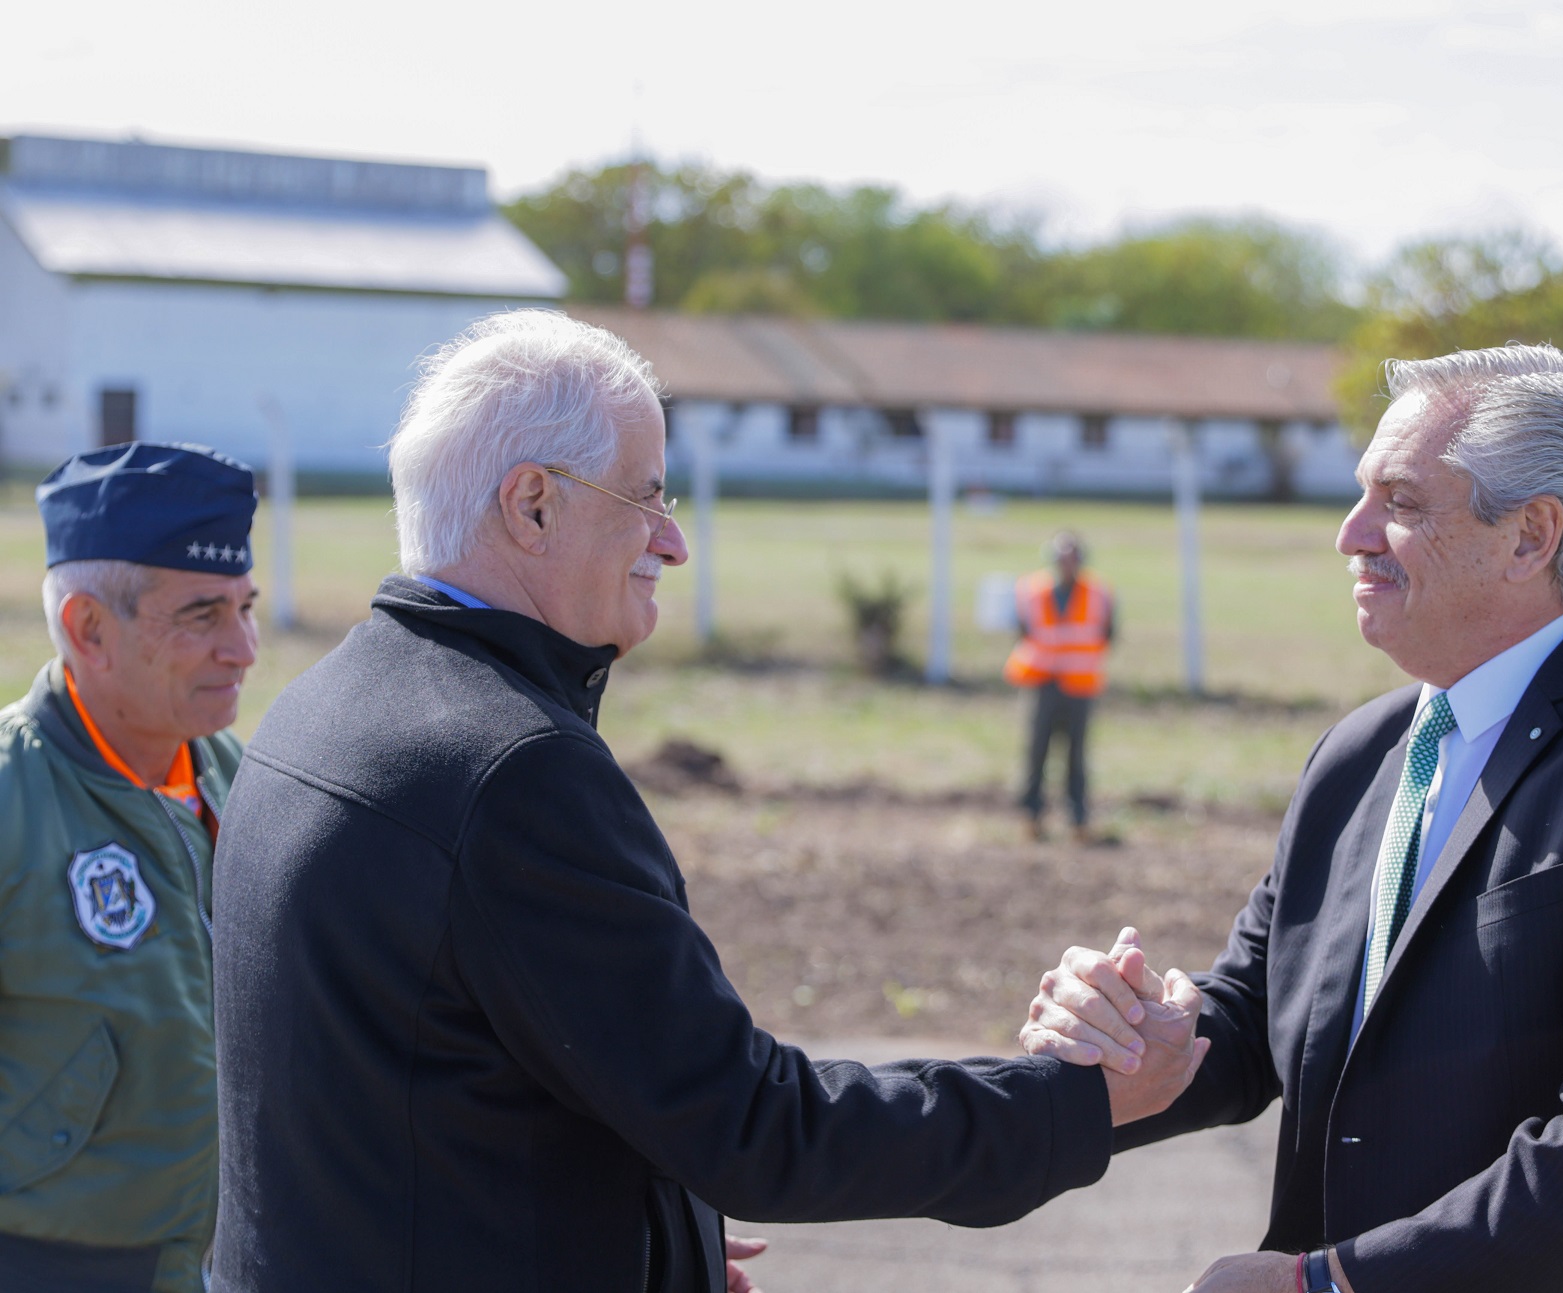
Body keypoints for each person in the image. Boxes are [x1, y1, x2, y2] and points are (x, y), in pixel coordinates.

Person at [208, 311, 1208, 1293]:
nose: (671, 542)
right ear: (532, 505)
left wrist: (643, 1243)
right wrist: (1073, 1104)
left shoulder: (321, 705)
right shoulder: (511, 768)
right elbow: (751, 1128)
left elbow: (410, 1092)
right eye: (644, 497)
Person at [1021, 344, 1563, 1293]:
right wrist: (1158, 1035)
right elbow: (1265, 1011)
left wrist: (1333, 1283)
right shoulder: (1362, 752)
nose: (1351, 535)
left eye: (1399, 504)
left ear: (1531, 536)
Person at [0, 442, 259, 1292]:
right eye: (201, 616)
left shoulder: (241, 776)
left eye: (244, 608)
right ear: (89, 630)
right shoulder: (10, 799)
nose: (244, 648)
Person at [1004, 530, 1114, 841]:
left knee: (1075, 756)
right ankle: (1032, 815)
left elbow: (1107, 633)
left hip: (1079, 683)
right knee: (1036, 750)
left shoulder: (1099, 592)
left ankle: (1078, 818)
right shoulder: (1032, 590)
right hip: (1043, 682)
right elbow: (1023, 629)